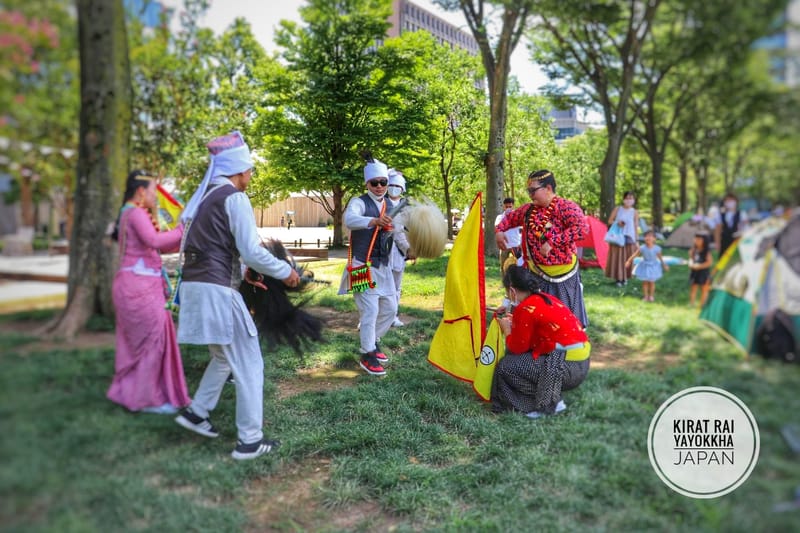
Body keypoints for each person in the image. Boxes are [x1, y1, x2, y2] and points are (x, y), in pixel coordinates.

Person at [174, 131, 300, 461]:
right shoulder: (234, 198)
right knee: (249, 362)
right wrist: (284, 272)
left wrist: (244, 271)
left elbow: (217, 247)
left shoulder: (205, 198)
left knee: (222, 357)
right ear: (240, 170)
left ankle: (197, 413)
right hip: (218, 291)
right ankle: (249, 441)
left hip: (196, 287)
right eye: (250, 170)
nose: (251, 175)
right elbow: (251, 250)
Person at [107, 170, 190, 414]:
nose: (156, 196)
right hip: (138, 287)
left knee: (146, 342)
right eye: (154, 191)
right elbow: (154, 241)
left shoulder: (131, 212)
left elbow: (156, 245)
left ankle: (136, 393)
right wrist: (183, 226)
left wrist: (179, 236)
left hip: (137, 285)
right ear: (141, 191)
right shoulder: (134, 213)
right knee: (151, 342)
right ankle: (146, 400)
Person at [491, 266, 590, 418]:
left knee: (506, 367)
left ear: (512, 291)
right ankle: (551, 397)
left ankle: (545, 403)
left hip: (566, 366)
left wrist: (507, 329)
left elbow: (516, 348)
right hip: (580, 362)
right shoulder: (546, 297)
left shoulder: (525, 308)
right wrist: (515, 323)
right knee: (522, 362)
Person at [495, 169, 589, 327]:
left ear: (548, 188)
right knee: (538, 320)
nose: (530, 195)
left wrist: (553, 242)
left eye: (533, 190)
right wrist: (499, 231)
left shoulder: (566, 207)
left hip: (562, 278)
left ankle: (563, 341)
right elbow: (509, 219)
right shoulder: (528, 210)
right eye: (529, 191)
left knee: (562, 321)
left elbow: (582, 228)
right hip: (536, 275)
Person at [338, 154, 397, 376]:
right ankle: (367, 353)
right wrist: (373, 221)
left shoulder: (390, 205)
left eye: (383, 182)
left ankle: (373, 341)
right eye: (375, 183)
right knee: (370, 311)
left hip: (383, 267)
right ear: (367, 184)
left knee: (390, 309)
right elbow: (350, 220)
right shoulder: (358, 202)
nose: (379, 186)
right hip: (361, 266)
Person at [387, 168, 413, 328]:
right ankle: (369, 318)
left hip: (398, 254)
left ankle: (392, 316)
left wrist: (411, 249)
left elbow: (406, 231)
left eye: (397, 186)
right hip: (380, 253)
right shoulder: (381, 204)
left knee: (396, 287)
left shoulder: (406, 208)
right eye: (392, 185)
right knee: (374, 287)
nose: (394, 188)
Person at [604, 191, 639, 287]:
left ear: (634, 200)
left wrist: (636, 240)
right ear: (623, 199)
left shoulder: (634, 212)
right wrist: (617, 222)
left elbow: (636, 226)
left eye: (631, 198)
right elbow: (610, 221)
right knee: (618, 258)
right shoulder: (618, 209)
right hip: (618, 237)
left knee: (627, 258)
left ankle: (625, 277)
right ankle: (618, 278)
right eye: (627, 198)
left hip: (629, 237)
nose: (629, 200)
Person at [625, 229, 669, 302]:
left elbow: (660, 258)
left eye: (650, 236)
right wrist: (629, 261)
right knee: (645, 282)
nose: (648, 238)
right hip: (645, 266)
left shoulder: (657, 248)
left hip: (653, 267)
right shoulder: (642, 248)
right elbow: (635, 255)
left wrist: (664, 265)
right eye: (646, 236)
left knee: (651, 282)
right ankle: (645, 296)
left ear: (654, 239)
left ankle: (651, 296)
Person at [714, 192, 748, 257]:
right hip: (725, 241)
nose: (729, 202)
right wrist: (717, 243)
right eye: (727, 200)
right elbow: (718, 230)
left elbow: (745, 227)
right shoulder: (720, 214)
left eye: (731, 200)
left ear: (736, 201)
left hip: (737, 242)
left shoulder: (742, 214)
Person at [495, 197, 522, 271]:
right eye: (506, 207)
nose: (508, 208)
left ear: (513, 206)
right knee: (503, 266)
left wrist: (521, 243)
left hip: (516, 245)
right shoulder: (499, 217)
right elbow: (497, 228)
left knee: (518, 265)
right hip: (504, 246)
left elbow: (522, 230)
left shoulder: (518, 217)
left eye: (510, 206)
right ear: (503, 207)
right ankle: (504, 278)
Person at [688, 232, 713, 309]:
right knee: (693, 288)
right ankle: (691, 303)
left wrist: (699, 266)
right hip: (694, 273)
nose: (696, 241)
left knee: (704, 289)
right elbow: (691, 258)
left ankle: (703, 305)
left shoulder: (706, 252)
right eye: (695, 239)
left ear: (704, 241)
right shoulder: (693, 250)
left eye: (699, 239)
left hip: (703, 273)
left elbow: (709, 263)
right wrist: (691, 263)